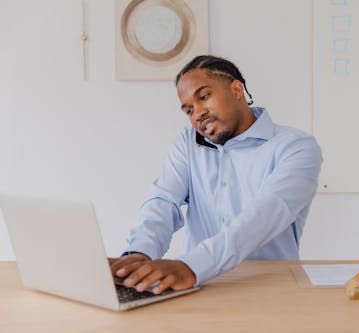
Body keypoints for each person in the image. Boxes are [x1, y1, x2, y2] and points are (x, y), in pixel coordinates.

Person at [109, 55, 323, 294]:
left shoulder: (296, 147)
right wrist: (139, 254)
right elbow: (163, 201)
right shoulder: (187, 144)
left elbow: (265, 214)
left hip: (270, 288)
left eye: (204, 97)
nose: (197, 113)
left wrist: (191, 266)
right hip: (196, 288)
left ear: (236, 89)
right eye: (188, 110)